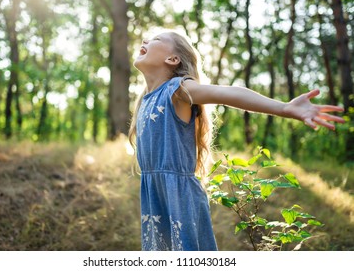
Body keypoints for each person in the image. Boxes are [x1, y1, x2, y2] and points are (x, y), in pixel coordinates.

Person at [128, 31, 345, 251]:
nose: (145, 40)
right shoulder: (145, 100)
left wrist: (284, 108)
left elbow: (226, 93)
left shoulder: (177, 90)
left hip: (180, 197)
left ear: (173, 59)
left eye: (155, 40)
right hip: (155, 195)